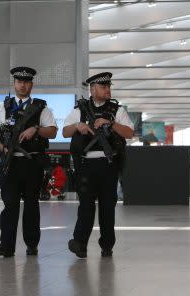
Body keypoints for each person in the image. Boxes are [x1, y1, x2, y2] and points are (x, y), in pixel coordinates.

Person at [0, 67, 57, 257]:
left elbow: (52, 131)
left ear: (31, 84)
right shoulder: (4, 107)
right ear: (14, 84)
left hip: (32, 162)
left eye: (26, 82)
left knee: (31, 205)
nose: (22, 85)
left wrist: (36, 129)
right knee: (10, 206)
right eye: (19, 81)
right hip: (10, 162)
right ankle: (6, 246)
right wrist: (1, 148)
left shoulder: (41, 108)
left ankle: (32, 244)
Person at [63, 72, 134, 258]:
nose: (108, 89)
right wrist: (77, 126)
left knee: (107, 207)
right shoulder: (80, 110)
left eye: (109, 86)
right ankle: (80, 243)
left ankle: (107, 245)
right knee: (85, 206)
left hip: (108, 164)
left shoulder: (117, 110)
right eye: (103, 87)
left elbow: (128, 132)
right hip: (85, 165)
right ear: (92, 89)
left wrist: (110, 124)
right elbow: (65, 132)